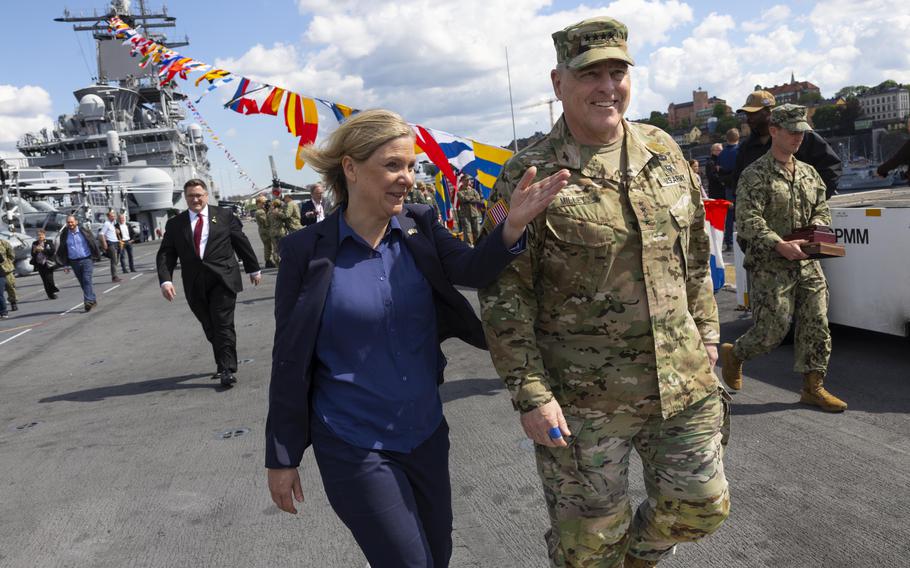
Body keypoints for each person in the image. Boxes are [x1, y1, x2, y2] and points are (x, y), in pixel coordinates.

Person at [264, 109, 569, 568]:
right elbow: (289, 358)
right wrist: (282, 456)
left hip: (425, 432)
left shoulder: (419, 226)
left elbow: (471, 268)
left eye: (410, 166)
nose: (407, 178)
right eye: (392, 165)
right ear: (350, 167)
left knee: (438, 556)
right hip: (353, 441)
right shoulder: (305, 252)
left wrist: (512, 225)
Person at [478, 17, 730, 568]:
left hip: (681, 382)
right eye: (590, 74)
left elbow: (694, 255)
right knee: (590, 545)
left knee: (702, 507)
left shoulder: (663, 149)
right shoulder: (527, 172)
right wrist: (530, 393)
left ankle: (634, 558)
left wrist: (709, 337)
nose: (607, 86)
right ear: (557, 82)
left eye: (617, 72)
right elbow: (504, 296)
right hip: (583, 400)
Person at [720, 104, 847, 413]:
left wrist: (817, 228)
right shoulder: (755, 174)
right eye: (792, 132)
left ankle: (812, 386)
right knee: (771, 332)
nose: (798, 138)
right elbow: (748, 219)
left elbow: (821, 207)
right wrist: (778, 244)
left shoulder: (808, 173)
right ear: (774, 131)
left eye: (802, 132)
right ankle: (735, 354)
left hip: (807, 261)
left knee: (816, 324)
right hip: (771, 264)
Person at [156, 179, 262, 388]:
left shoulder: (224, 216)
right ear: (185, 198)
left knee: (222, 323)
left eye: (199, 195)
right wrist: (166, 280)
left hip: (223, 278)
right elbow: (166, 253)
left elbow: (240, 241)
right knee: (209, 324)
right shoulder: (176, 224)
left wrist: (253, 268)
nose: (195, 199)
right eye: (191, 196)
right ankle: (223, 360)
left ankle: (227, 369)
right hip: (194, 282)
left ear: (206, 195)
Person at [733, 90, 842, 199]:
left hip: (801, 211)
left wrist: (815, 199)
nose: (748, 119)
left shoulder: (801, 137)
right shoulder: (746, 147)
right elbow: (738, 181)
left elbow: (831, 167)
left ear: (769, 112)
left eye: (753, 113)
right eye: (747, 114)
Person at [56, 215, 101, 312]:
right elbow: (63, 250)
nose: (70, 224)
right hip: (74, 262)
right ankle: (92, 299)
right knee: (82, 282)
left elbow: (93, 242)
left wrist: (96, 255)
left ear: (76, 222)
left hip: (86, 259)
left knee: (86, 280)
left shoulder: (84, 231)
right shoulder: (64, 234)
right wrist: (65, 264)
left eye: (72, 222)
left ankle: (88, 302)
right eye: (68, 222)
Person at [717, 128, 740, 250]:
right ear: (738, 138)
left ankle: (729, 242)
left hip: (728, 187)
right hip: (741, 185)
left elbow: (719, 170)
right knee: (744, 212)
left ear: (727, 139)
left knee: (729, 215)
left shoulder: (721, 154)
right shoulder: (741, 151)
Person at [31, 229, 60, 299]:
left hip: (48, 263)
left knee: (49, 279)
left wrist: (43, 250)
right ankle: (50, 294)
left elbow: (52, 251)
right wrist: (35, 251)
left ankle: (53, 290)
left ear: (44, 235)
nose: (40, 236)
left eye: (41, 235)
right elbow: (32, 254)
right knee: (44, 280)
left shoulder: (49, 242)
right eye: (38, 235)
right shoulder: (34, 243)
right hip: (40, 264)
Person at [456, 178, 484, 245]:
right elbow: (462, 199)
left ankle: (478, 244)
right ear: (462, 181)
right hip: (465, 214)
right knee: (467, 231)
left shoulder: (474, 190)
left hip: (474, 213)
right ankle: (469, 246)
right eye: (466, 180)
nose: (468, 181)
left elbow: (478, 199)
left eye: (468, 180)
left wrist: (468, 199)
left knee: (477, 230)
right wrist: (471, 198)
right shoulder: (459, 192)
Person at [98, 210, 123, 283]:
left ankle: (115, 275)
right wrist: (104, 243)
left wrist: (116, 230)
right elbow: (101, 234)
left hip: (116, 243)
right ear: (108, 217)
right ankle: (114, 277)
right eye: (112, 216)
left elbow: (111, 232)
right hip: (111, 243)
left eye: (114, 216)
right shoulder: (107, 224)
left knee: (116, 260)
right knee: (114, 260)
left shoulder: (112, 224)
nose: (114, 217)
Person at [253, 196, 276, 268]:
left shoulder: (262, 211)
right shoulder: (260, 212)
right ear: (258, 203)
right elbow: (267, 222)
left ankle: (269, 260)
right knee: (268, 246)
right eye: (263, 203)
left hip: (265, 230)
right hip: (265, 230)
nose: (264, 204)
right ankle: (268, 261)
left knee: (269, 246)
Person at [268, 199, 289, 265]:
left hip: (272, 232)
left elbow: (267, 222)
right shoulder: (279, 211)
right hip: (280, 231)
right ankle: (284, 261)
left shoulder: (269, 212)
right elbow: (285, 217)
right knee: (283, 247)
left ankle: (277, 262)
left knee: (275, 249)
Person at [0, 238, 17, 312]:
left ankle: (13, 302)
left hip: (7, 269)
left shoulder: (4, 243)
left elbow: (11, 254)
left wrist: (8, 263)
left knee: (10, 286)